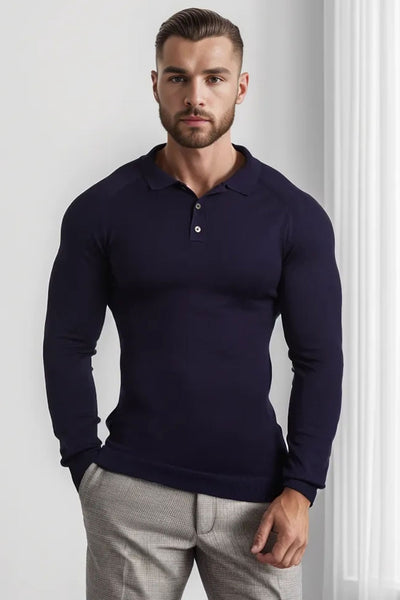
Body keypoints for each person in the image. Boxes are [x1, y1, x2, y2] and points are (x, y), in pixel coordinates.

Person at [42, 7, 343, 600]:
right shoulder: (101, 210)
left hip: (257, 501)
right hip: (133, 495)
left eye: (214, 78)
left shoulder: (293, 215)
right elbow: (68, 343)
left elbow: (318, 359)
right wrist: (85, 466)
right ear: (155, 84)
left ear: (241, 86)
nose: (195, 96)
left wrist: (301, 489)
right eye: (178, 77)